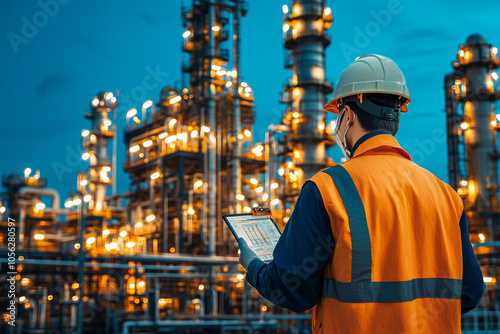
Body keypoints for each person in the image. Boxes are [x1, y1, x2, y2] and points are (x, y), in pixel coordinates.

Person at [237, 54, 485, 333]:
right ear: (397, 116)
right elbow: (470, 293)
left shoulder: (327, 189)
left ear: (348, 115)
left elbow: (291, 290)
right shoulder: (446, 196)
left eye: (338, 115)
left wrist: (254, 266)